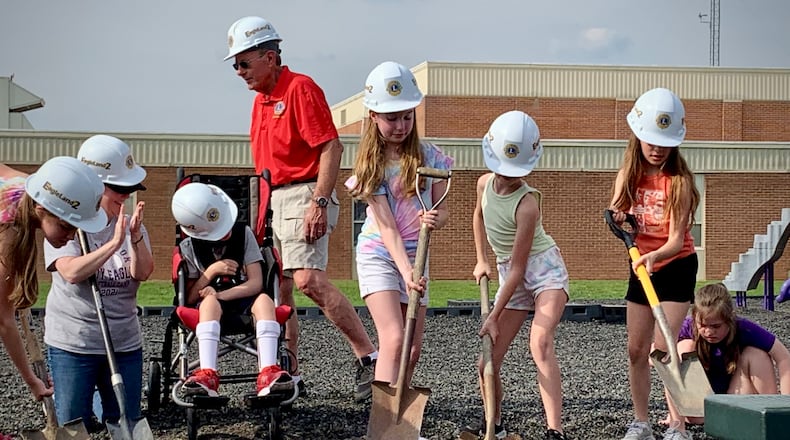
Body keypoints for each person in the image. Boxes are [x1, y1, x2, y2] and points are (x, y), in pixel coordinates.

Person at [224, 15, 377, 402]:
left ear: (270, 57)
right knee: (280, 287)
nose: (240, 71)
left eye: (245, 62)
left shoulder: (300, 89)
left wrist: (318, 203)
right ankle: (286, 371)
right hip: (273, 197)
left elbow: (331, 147)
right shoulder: (261, 102)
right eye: (236, 64)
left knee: (308, 279)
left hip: (304, 192)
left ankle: (369, 359)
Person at [345, 61, 452, 389]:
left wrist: (435, 218)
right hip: (380, 253)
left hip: (417, 253)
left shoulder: (430, 157)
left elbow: (443, 210)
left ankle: (400, 418)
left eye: (407, 116)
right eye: (391, 118)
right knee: (393, 338)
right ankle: (385, 425)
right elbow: (388, 227)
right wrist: (406, 273)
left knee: (412, 349)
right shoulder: (371, 166)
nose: (401, 125)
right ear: (373, 117)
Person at [470, 110, 570, 440]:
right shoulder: (484, 183)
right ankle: (493, 426)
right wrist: (481, 259)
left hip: (543, 271)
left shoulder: (527, 204)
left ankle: (554, 430)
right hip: (507, 270)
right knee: (487, 360)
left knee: (539, 341)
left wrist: (494, 314)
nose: (508, 175)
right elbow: (479, 216)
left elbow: (519, 268)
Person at [608, 88, 700, 440]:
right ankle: (641, 422)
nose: (657, 148)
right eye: (651, 140)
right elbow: (619, 217)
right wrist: (618, 217)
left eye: (665, 142)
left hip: (675, 265)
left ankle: (677, 424)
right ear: (638, 135)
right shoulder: (628, 175)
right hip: (641, 267)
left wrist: (651, 256)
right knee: (636, 348)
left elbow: (676, 241)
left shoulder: (680, 183)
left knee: (662, 349)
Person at [44, 135, 153, 429]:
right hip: (74, 344)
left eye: (130, 189)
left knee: (127, 421)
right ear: (93, 185)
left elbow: (142, 273)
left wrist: (135, 237)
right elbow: (71, 272)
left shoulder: (130, 225)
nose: (125, 196)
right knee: (72, 425)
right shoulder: (66, 222)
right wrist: (113, 243)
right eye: (119, 189)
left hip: (124, 343)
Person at [172, 182, 295, 398]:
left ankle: (268, 371)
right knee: (209, 302)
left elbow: (256, 283)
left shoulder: (243, 234)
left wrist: (220, 294)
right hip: (209, 308)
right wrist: (210, 273)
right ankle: (208, 373)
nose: (226, 232)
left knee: (265, 300)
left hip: (244, 296)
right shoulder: (189, 248)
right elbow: (190, 297)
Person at [0, 157, 106, 403]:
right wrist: (32, 381)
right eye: (66, 226)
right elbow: (4, 320)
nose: (70, 238)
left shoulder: (31, 188)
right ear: (41, 210)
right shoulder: (10, 232)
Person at [662, 283, 790, 428]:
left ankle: (771, 414)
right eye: (703, 326)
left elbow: (783, 356)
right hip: (699, 407)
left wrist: (786, 406)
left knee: (757, 355)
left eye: (716, 326)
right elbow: (657, 356)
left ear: (730, 319)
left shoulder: (744, 328)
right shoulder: (687, 327)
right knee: (681, 348)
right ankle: (678, 421)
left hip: (735, 398)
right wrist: (673, 413)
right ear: (694, 319)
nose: (709, 332)